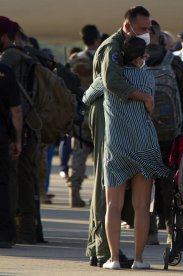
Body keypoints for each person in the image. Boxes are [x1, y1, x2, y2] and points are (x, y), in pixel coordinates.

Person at [85, 6, 153, 268]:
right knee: (107, 187)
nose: (147, 33)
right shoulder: (112, 48)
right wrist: (144, 96)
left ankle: (103, 247)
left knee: (112, 189)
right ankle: (103, 250)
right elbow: (111, 81)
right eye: (144, 28)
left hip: (114, 114)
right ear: (128, 26)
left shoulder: (126, 47)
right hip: (107, 116)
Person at [146, 20, 183, 245]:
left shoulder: (133, 61)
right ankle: (171, 230)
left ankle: (147, 231)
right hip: (170, 133)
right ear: (160, 37)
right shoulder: (173, 62)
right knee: (169, 181)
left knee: (142, 180)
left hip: (141, 133)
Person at [0, 16, 39, 244]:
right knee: (23, 180)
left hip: (14, 130)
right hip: (29, 127)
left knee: (10, 182)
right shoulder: (26, 56)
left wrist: (15, 138)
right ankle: (27, 231)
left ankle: (13, 231)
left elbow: (15, 109)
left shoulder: (9, 59)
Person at [67, 24, 101, 208]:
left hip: (79, 113)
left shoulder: (74, 59)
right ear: (97, 39)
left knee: (78, 154)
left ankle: (74, 192)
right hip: (98, 112)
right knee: (101, 156)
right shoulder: (102, 58)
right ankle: (99, 194)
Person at [0, 63, 22, 248]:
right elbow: (16, 110)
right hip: (0, 135)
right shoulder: (5, 71)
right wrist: (17, 140)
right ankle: (5, 234)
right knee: (2, 184)